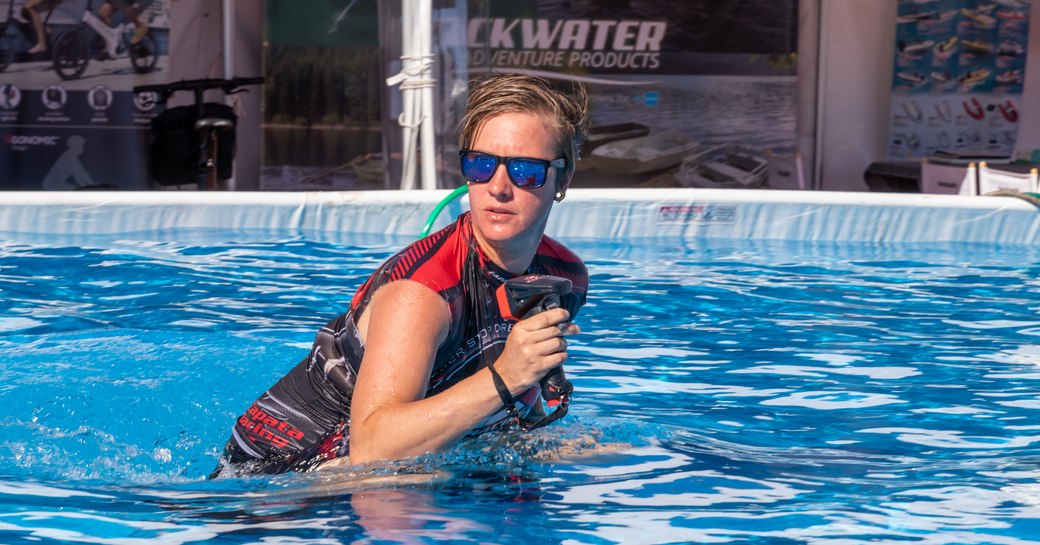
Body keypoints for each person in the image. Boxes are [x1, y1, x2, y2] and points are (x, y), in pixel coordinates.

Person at [210, 73, 591, 477]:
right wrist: (507, 376)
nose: (498, 187)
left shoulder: (564, 275)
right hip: (274, 479)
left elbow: (510, 401)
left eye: (525, 171)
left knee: (599, 455)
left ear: (562, 179)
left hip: (386, 457)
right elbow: (374, 448)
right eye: (481, 165)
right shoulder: (423, 292)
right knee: (414, 485)